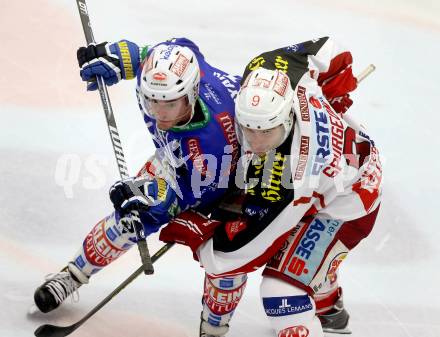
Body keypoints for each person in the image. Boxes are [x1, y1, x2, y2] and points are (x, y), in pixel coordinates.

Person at [159, 37, 382, 337]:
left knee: (281, 293)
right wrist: (333, 78)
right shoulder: (267, 69)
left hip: (349, 201)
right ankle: (327, 303)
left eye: (267, 133)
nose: (256, 142)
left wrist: (201, 235)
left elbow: (235, 255)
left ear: (287, 119)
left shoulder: (293, 177)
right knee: (302, 254)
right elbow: (324, 49)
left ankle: (318, 300)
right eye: (248, 129)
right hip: (344, 160)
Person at [33, 37, 241, 314]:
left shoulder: (211, 142)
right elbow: (150, 53)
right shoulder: (176, 70)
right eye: (151, 101)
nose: (158, 113)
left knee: (227, 263)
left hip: (236, 183)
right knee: (126, 222)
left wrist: (147, 196)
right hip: (181, 163)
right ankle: (71, 276)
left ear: (191, 94)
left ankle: (214, 328)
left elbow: (186, 196)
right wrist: (116, 58)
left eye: (169, 105)